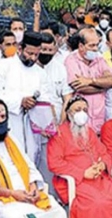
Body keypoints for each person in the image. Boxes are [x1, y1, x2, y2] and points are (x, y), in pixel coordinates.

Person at [0, 32, 49, 162]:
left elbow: (46, 99)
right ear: (20, 48)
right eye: (29, 53)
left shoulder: (41, 73)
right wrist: (20, 102)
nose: (32, 58)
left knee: (31, 162)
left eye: (36, 55)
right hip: (9, 124)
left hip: (32, 129)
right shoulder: (0, 67)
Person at [36, 33, 74, 195]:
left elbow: (67, 98)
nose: (46, 53)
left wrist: (60, 124)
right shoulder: (31, 68)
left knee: (49, 162)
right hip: (34, 125)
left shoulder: (59, 68)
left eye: (49, 50)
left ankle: (52, 197)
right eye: (43, 49)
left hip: (57, 124)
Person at [64, 27, 112, 134]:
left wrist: (91, 80)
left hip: (99, 121)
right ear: (81, 46)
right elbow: (81, 87)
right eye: (92, 45)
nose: (95, 49)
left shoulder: (99, 59)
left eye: (97, 45)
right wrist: (103, 87)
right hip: (80, 122)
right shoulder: (71, 60)